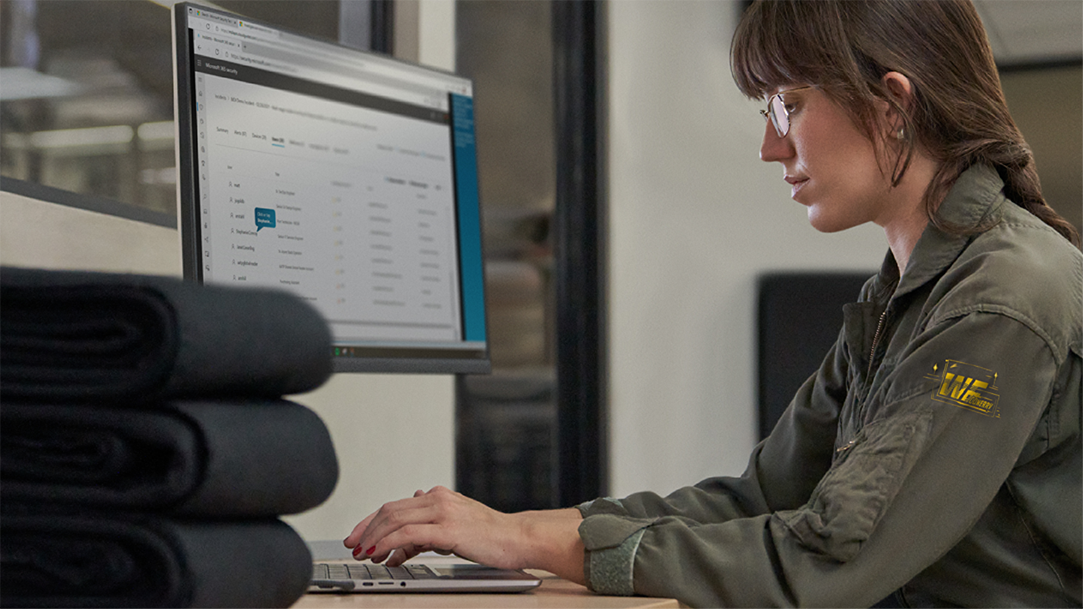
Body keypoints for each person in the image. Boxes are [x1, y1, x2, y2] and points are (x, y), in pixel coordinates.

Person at [344, 0, 1083, 607]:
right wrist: (508, 526)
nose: (769, 144)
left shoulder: (997, 300)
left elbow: (826, 557)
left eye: (788, 104)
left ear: (892, 106)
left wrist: (526, 545)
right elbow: (757, 499)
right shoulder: (904, 289)